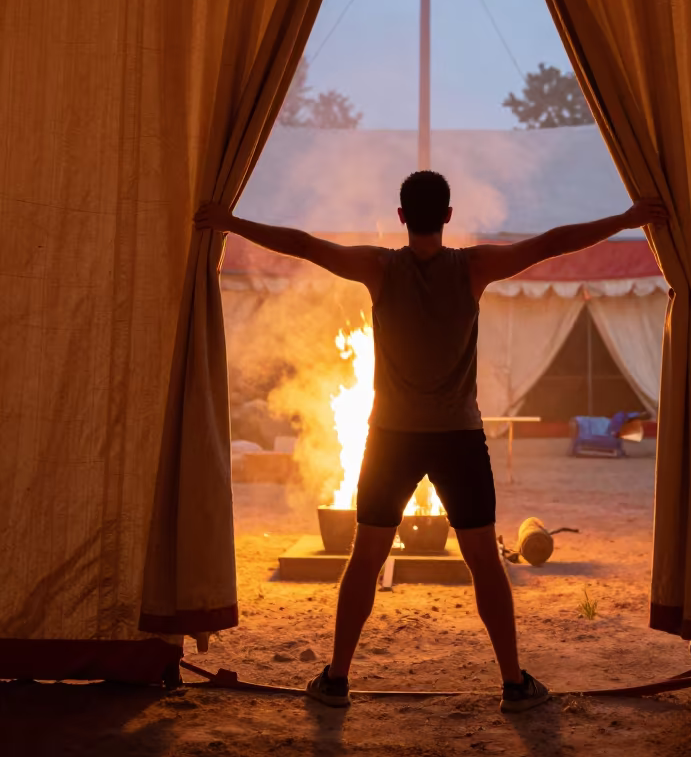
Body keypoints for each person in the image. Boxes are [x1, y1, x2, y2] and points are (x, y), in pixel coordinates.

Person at [195, 172, 667, 713]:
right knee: (484, 563)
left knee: (365, 559)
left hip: (391, 438)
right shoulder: (475, 267)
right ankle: (514, 684)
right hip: (458, 439)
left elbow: (302, 245)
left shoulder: (378, 267)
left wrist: (229, 223)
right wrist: (626, 221)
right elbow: (553, 242)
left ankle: (336, 680)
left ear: (401, 216)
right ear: (447, 215)